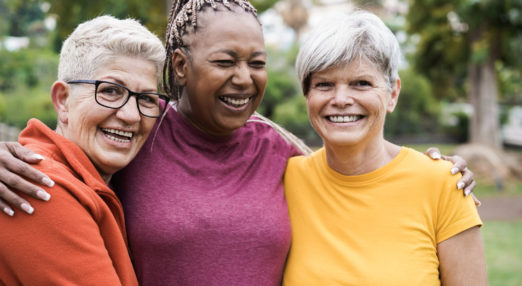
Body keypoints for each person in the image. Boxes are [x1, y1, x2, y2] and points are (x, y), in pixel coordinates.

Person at [0, 1, 476, 285]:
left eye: (257, 62)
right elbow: (78, 132)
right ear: (182, 67)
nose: (244, 79)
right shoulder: (143, 130)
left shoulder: (281, 153)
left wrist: (437, 171)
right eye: (226, 60)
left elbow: (357, 180)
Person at [282, 10, 487, 285]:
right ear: (307, 95)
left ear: (392, 94)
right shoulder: (284, 179)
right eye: (324, 84)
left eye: (361, 83)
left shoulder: (444, 185)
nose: (341, 99)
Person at [0, 15, 167, 285]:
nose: (130, 116)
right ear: (63, 100)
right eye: (111, 91)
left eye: (146, 99)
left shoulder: (103, 180)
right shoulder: (37, 187)